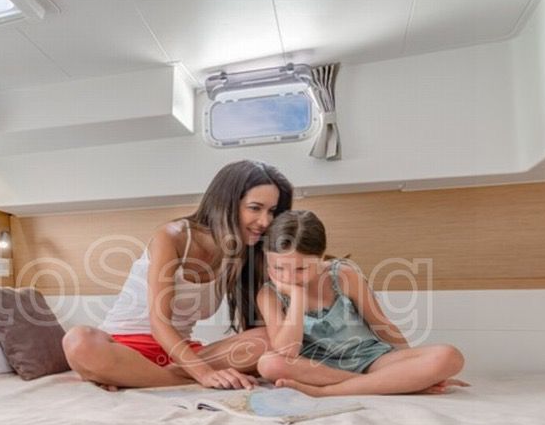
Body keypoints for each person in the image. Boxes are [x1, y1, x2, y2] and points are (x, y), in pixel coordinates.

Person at [63, 160, 293, 389]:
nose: (265, 221)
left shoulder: (244, 252)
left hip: (181, 356)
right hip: (126, 348)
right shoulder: (173, 236)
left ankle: (137, 377)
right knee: (78, 342)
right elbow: (159, 324)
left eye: (272, 211)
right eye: (255, 208)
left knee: (270, 338)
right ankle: (160, 377)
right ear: (227, 203)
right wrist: (204, 375)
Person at [255, 209, 468, 396]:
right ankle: (386, 384)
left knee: (450, 356)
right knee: (269, 364)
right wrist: (297, 296)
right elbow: (287, 351)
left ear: (320, 258)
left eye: (301, 269)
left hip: (371, 360)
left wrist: (411, 364)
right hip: (319, 368)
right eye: (278, 268)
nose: (288, 277)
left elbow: (381, 324)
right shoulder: (269, 294)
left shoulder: (343, 275)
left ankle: (327, 392)